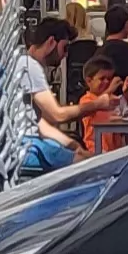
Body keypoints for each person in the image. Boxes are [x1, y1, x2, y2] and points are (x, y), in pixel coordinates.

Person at [14, 16, 84, 174]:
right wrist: (97, 104)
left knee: (84, 157)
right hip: (26, 145)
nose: (65, 55)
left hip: (28, 141)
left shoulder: (26, 63)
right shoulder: (29, 66)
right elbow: (57, 115)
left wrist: (72, 145)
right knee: (86, 165)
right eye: (65, 47)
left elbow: (40, 123)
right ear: (51, 42)